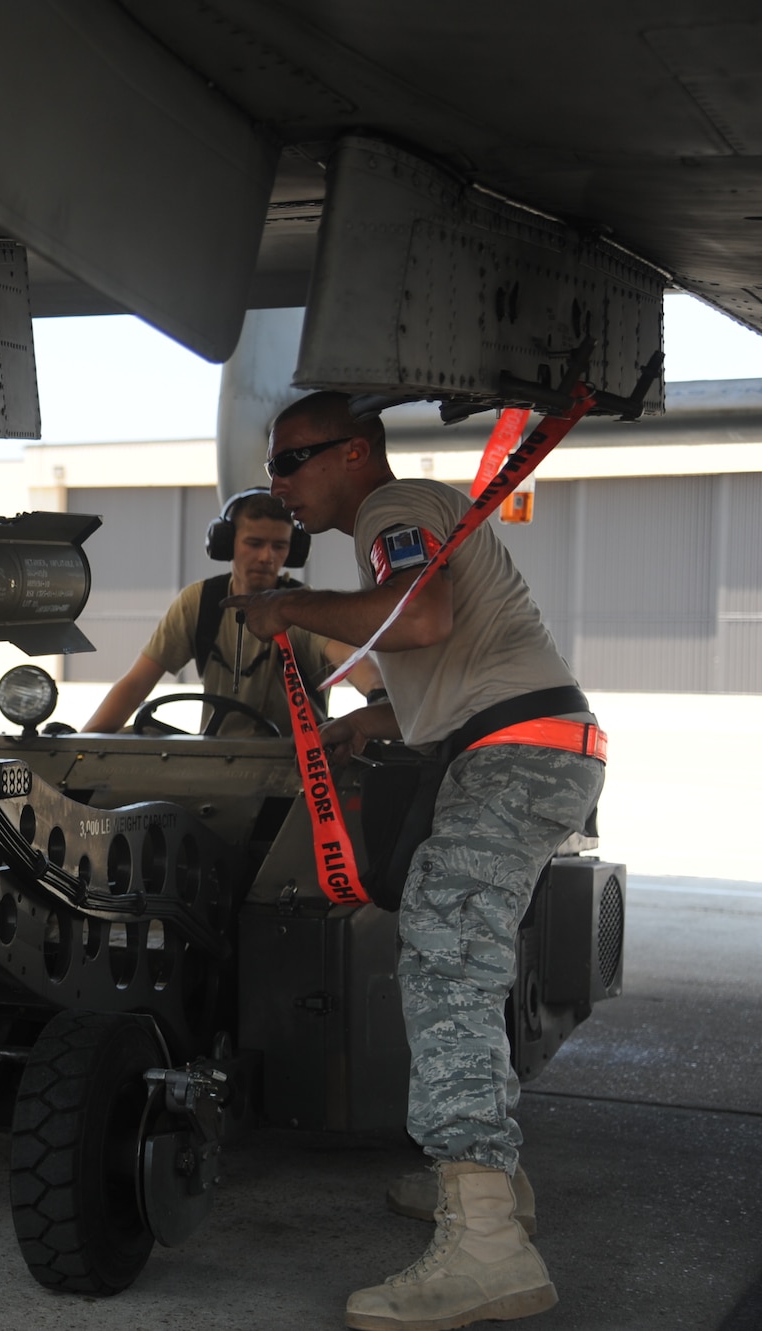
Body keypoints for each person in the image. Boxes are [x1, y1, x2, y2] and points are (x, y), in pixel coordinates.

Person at [225, 391, 605, 1331]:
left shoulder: (394, 512)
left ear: (354, 452)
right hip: (534, 740)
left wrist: (288, 606)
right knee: (465, 955)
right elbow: (463, 657)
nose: (278, 488)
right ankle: (491, 1188)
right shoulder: (417, 515)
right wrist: (379, 719)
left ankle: (485, 1247)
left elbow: (422, 618)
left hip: (516, 753)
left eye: (292, 463)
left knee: (442, 957)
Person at [81, 490, 379, 735]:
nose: (266, 557)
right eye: (254, 543)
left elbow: (352, 660)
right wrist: (83, 746)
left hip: (294, 770)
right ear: (227, 543)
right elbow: (136, 684)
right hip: (217, 764)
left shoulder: (303, 607)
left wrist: (379, 696)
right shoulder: (198, 602)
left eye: (279, 546)